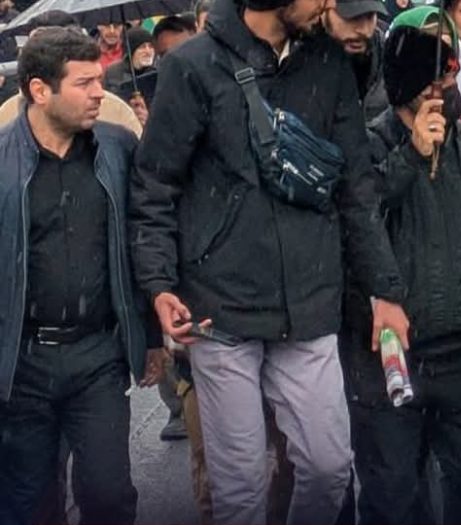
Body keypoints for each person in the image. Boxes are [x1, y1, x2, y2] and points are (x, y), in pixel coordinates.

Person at [129, 0, 411, 523]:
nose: (328, 3)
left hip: (309, 301)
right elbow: (155, 185)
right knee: (240, 489)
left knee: (330, 468)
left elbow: (356, 188)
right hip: (220, 307)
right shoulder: (191, 66)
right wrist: (159, 284)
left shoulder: (329, 63)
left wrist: (385, 291)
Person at [343, 9, 461, 525]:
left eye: (447, 72)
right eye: (427, 75)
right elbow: (353, 226)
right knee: (393, 497)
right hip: (387, 357)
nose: (437, 87)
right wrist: (411, 157)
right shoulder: (362, 148)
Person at [0, 27, 165, 525]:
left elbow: (141, 242)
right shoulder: (2, 161)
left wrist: (150, 336)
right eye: (84, 83)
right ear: (39, 90)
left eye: (100, 80)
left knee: (109, 496)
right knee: (30, 503)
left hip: (97, 356)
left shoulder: (117, 148)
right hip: (22, 363)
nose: (99, 92)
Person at [324, 0, 390, 120]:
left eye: (370, 17)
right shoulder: (299, 60)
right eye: (352, 17)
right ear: (324, 9)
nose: (365, 31)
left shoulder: (385, 56)